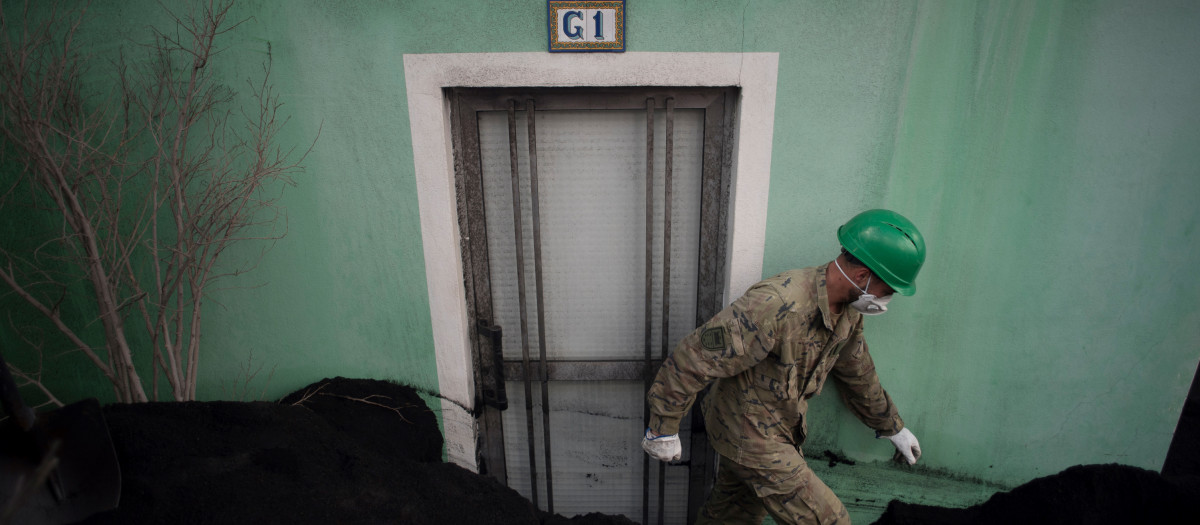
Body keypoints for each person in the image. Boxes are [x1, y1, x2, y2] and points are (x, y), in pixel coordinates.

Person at [641, 209, 926, 525]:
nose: (886, 301)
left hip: (780, 426)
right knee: (829, 520)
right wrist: (663, 426)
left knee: (732, 517)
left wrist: (891, 425)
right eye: (887, 291)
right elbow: (695, 355)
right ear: (862, 277)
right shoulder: (775, 304)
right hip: (748, 431)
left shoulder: (848, 312)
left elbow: (856, 370)